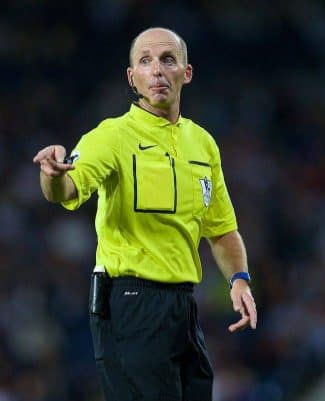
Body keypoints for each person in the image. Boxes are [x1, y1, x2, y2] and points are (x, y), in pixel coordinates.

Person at [33, 27, 257, 401]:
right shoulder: (111, 137)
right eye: (145, 61)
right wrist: (51, 175)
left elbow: (221, 230)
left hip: (183, 306)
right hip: (130, 302)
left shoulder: (202, 143)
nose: (156, 70)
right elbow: (67, 190)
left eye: (167, 59)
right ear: (131, 76)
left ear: (186, 72)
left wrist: (239, 279)